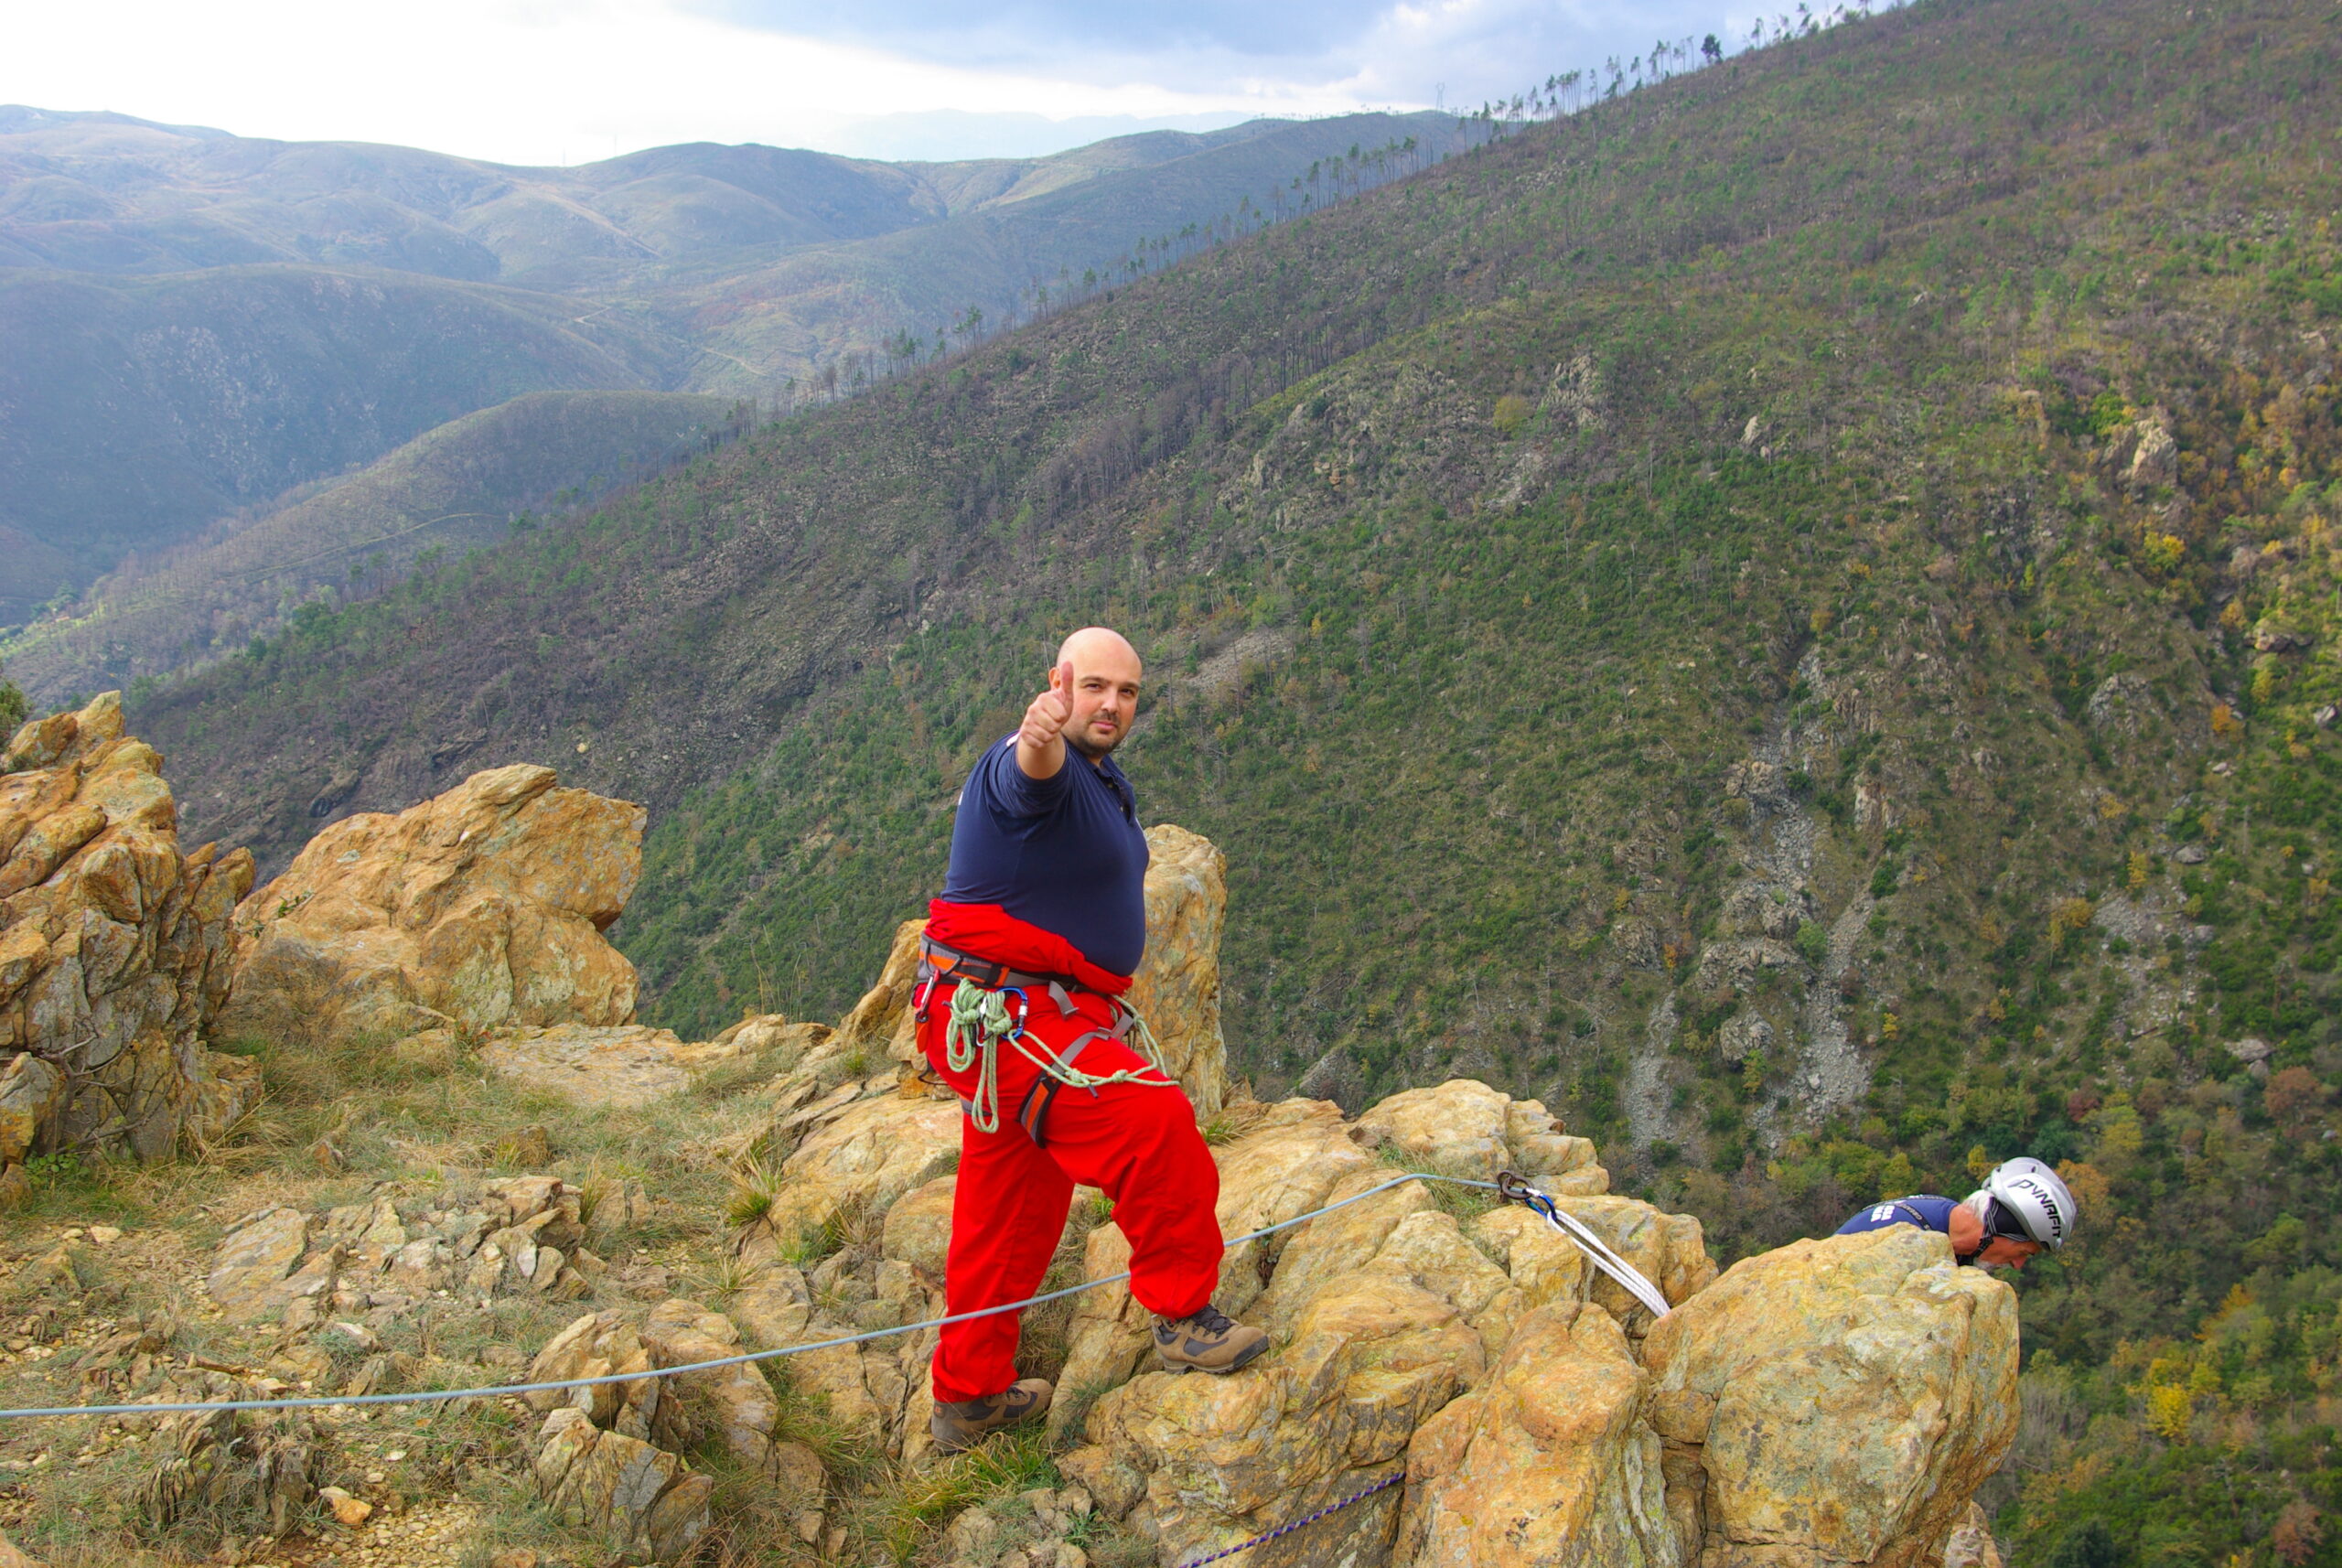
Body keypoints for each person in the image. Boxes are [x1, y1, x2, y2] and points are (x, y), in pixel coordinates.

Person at [915, 627, 1269, 1455]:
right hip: (1011, 1016)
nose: (1110, 704)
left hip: (1021, 1011)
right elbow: (1027, 776)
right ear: (1058, 683)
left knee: (1010, 1208)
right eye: (1094, 687)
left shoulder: (1100, 774)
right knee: (1153, 1121)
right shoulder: (1029, 764)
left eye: (1127, 692)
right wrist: (1037, 737)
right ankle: (1183, 1317)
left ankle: (968, 1397)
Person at [1834, 1156, 2078, 1269]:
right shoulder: (1906, 1242)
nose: (2018, 1265)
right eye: (2023, 1253)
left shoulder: (1941, 1221)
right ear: (1997, 1227)